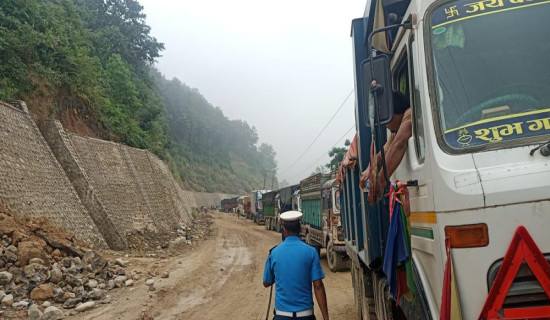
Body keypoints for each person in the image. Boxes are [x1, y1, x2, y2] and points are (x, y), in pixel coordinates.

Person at [263, 211, 329, 320]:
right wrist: (326, 318)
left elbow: (266, 283)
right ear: (300, 229)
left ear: (284, 230)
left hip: (281, 316)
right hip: (306, 316)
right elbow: (318, 286)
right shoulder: (311, 252)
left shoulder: (274, 253)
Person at [360, 90, 412, 205]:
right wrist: (369, 170)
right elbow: (380, 157)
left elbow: (399, 145)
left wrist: (380, 183)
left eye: (384, 118)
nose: (385, 125)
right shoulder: (395, 133)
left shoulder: (410, 113)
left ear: (390, 112)